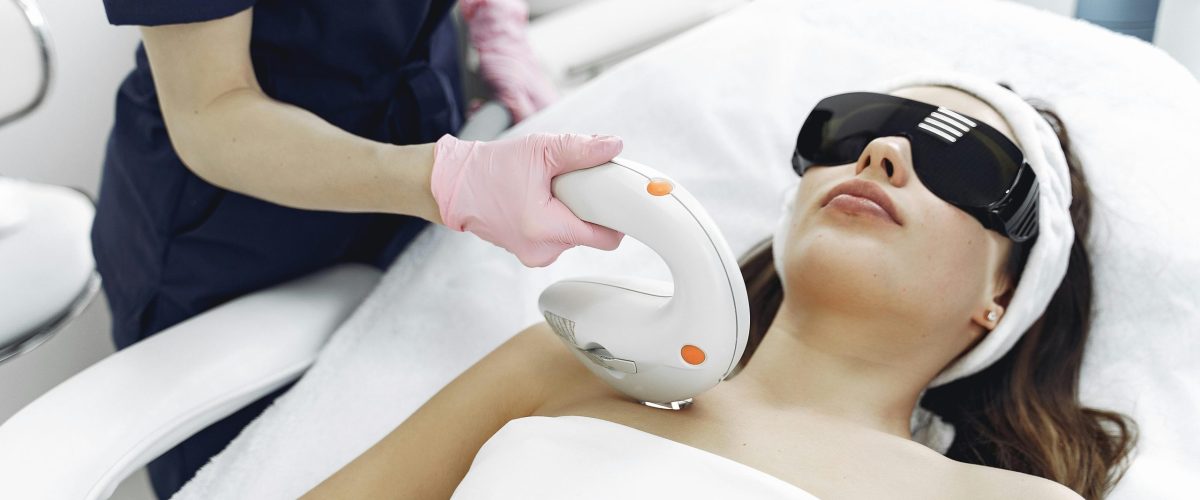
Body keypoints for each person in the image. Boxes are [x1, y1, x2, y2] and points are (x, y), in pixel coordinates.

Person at [299, 83, 1137, 499]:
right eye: (846, 130)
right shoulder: (572, 367)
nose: (882, 152)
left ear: (1003, 296)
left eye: (963, 159)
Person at [91, 0, 624, 496]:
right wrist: (444, 181)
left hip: (417, 147)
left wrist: (494, 18)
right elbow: (209, 110)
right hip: (236, 232)